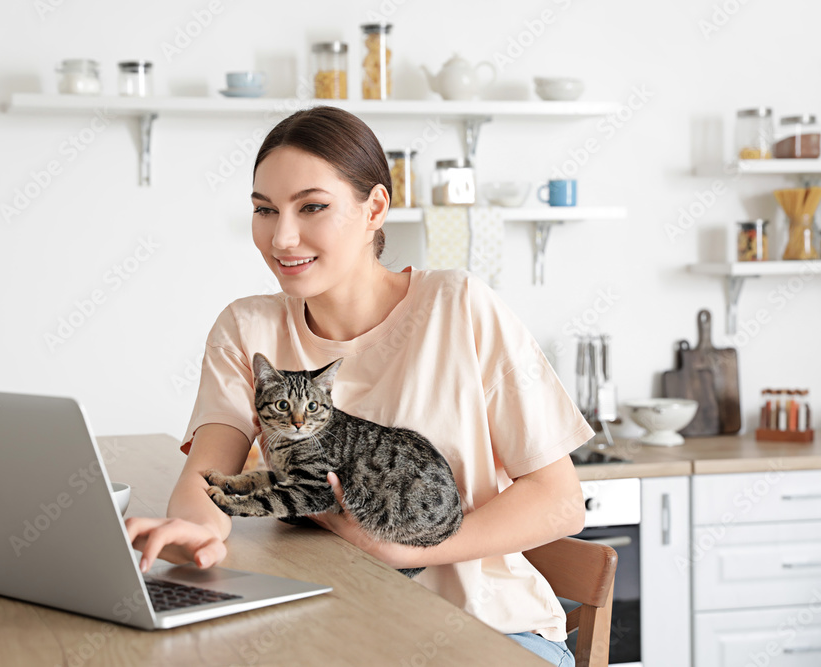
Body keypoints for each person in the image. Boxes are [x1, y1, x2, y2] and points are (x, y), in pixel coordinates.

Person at [126, 106, 590, 666]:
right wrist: (193, 531)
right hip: (344, 630)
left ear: (374, 208)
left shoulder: (459, 306)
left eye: (312, 207)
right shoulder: (246, 327)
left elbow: (561, 502)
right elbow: (208, 477)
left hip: (490, 631)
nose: (282, 236)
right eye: (264, 210)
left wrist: (399, 550)